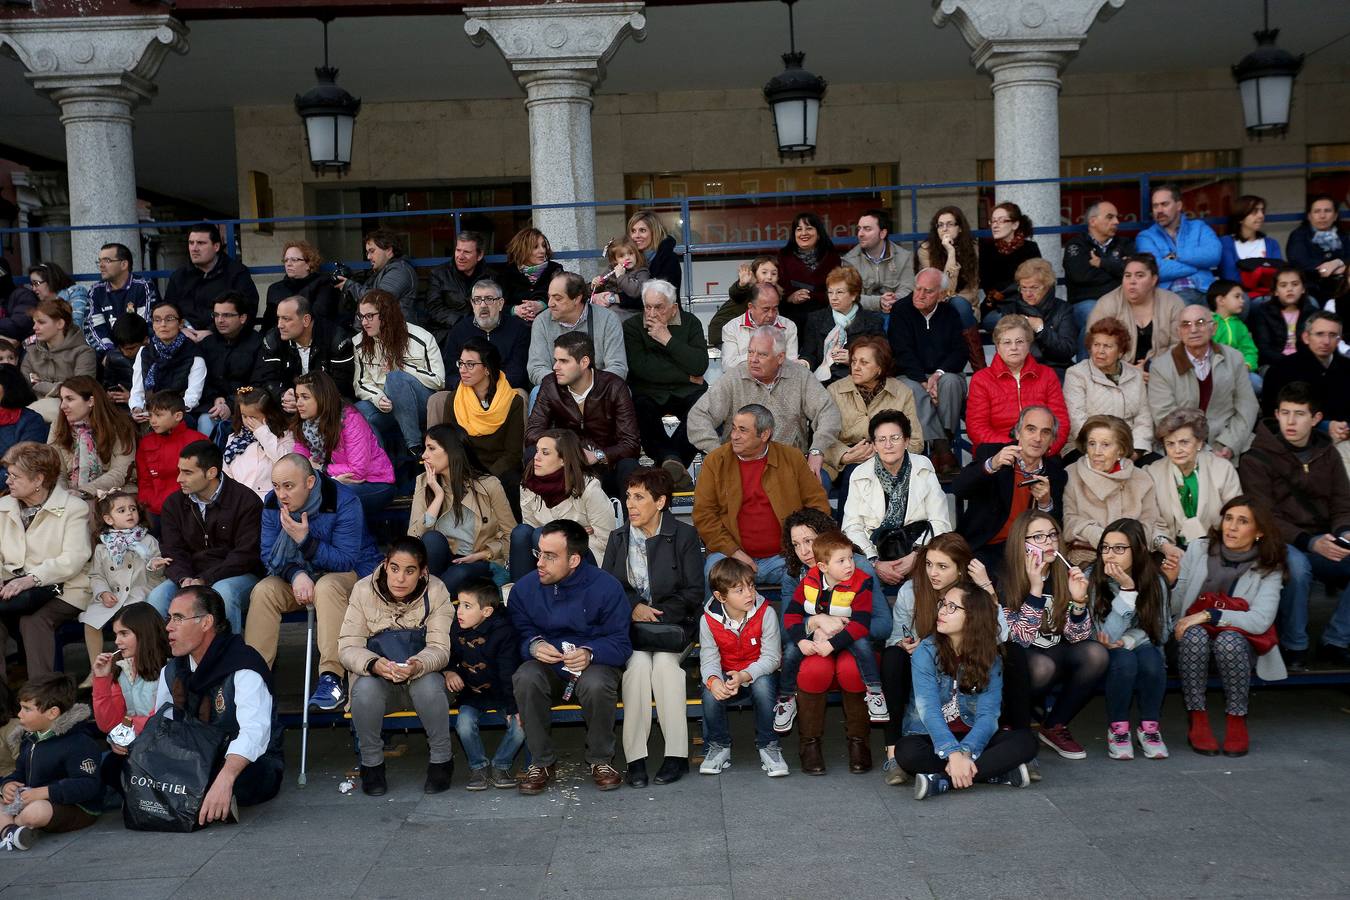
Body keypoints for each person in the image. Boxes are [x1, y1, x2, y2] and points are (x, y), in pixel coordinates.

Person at [245, 453, 383, 711]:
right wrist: (296, 574)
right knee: (264, 591)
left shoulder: (343, 501)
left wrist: (305, 541)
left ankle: (332, 677)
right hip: (301, 575)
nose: (281, 494)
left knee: (327, 586)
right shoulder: (273, 504)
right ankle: (254, 679)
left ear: (309, 481)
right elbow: (267, 555)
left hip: (350, 576)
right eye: (276, 486)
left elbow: (345, 560)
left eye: (289, 486)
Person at [509, 519, 632, 794]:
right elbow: (518, 635)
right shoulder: (524, 589)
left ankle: (601, 759)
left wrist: (591, 652)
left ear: (574, 559)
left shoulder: (607, 587)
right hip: (549, 667)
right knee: (526, 676)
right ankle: (541, 762)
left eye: (550, 556)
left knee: (597, 684)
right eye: (538, 553)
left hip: (595, 664)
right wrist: (533, 645)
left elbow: (622, 643)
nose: (540, 562)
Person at [601, 467, 702, 788]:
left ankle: (676, 756)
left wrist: (655, 612)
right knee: (639, 669)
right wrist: (634, 608)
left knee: (665, 668)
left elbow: (694, 592)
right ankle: (636, 759)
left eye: (639, 497)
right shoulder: (618, 539)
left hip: (674, 628)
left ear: (660, 502)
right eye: (629, 496)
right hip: (634, 631)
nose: (630, 504)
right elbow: (610, 588)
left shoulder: (684, 536)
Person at [1239, 382, 1350, 670]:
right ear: (1275, 414)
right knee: (1297, 569)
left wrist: (1344, 534)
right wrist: (1309, 542)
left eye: (1299, 414)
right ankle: (1294, 646)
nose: (1290, 421)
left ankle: (1336, 641)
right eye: (1285, 413)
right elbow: (1264, 515)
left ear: (1315, 418)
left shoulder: (1328, 453)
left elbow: (1342, 504)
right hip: (1279, 540)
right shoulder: (1256, 457)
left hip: (1323, 538)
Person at [1167, 497, 1286, 757]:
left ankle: (1236, 718)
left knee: (1227, 640)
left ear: (1259, 531)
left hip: (1238, 649)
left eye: (1242, 521)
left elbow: (1260, 620)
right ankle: (1197, 717)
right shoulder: (1199, 550)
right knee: (1195, 634)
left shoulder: (1269, 566)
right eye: (1228, 518)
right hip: (1189, 646)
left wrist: (1210, 615)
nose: (1231, 527)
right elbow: (1176, 610)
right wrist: (1172, 584)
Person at [896, 580, 1037, 798]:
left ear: (972, 616)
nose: (942, 610)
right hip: (931, 736)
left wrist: (965, 751)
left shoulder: (990, 656)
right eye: (943, 604)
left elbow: (988, 716)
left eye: (952, 607)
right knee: (906, 752)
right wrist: (952, 752)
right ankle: (992, 774)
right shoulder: (926, 650)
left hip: (973, 736)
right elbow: (928, 711)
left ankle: (942, 781)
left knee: (1026, 742)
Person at [338, 536, 456, 796]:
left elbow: (440, 648)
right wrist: (373, 664)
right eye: (394, 568)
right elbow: (347, 648)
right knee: (364, 690)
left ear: (423, 572)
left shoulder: (437, 591)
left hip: (420, 677)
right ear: (385, 564)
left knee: (428, 687)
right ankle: (372, 765)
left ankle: (441, 760)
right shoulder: (362, 590)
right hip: (381, 680)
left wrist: (418, 665)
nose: (399, 578)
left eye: (409, 571)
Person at [156, 586, 285, 821]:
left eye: (178, 618)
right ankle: (200, 798)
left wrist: (225, 778)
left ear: (206, 622)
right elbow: (162, 729)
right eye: (169, 618)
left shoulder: (244, 665)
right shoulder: (172, 670)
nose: (168, 627)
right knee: (115, 766)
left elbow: (254, 733)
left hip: (245, 763)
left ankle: (202, 796)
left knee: (253, 777)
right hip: (195, 759)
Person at [880, 533, 994, 785]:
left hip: (964, 670)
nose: (933, 573)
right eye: (929, 564)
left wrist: (987, 587)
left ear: (961, 568)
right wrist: (905, 643)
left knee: (1014, 654)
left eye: (942, 566)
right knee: (892, 658)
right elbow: (895, 636)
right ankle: (893, 752)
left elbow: (999, 638)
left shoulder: (971, 593)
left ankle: (953, 770)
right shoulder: (911, 591)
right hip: (921, 668)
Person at [1000, 510, 1105, 760]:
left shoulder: (1064, 574)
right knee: (1041, 665)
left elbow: (1078, 637)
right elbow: (1018, 638)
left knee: (1096, 654)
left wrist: (1079, 602)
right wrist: (1035, 590)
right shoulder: (1004, 577)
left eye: (1052, 535)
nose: (1048, 542)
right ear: (1021, 542)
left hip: (1055, 649)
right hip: (1015, 658)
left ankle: (1055, 725)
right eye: (1038, 537)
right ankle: (1008, 721)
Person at [692, 404, 830, 589]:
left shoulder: (792, 458)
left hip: (784, 557)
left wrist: (802, 545)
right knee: (715, 571)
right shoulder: (716, 461)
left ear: (764, 435)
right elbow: (704, 516)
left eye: (742, 430)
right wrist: (734, 552)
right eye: (733, 428)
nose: (734, 435)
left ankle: (796, 619)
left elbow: (818, 504)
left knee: (810, 578)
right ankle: (716, 619)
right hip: (732, 557)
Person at [687, 327, 841, 471]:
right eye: (750, 352)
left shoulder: (801, 376)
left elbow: (828, 413)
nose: (753, 359)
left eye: (762, 354)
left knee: (821, 484)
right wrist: (718, 453)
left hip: (789, 467)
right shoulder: (734, 377)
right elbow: (698, 416)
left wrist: (817, 450)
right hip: (741, 467)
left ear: (780, 357)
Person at [150, 440, 264, 634]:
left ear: (211, 472)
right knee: (157, 598)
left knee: (223, 593)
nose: (179, 478)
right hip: (191, 575)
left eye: (187, 472)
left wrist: (205, 579)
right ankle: (165, 663)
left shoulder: (246, 500)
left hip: (238, 576)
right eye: (180, 470)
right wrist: (183, 578)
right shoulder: (174, 504)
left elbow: (245, 555)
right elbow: (172, 550)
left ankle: (229, 660)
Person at [0, 442, 92, 678]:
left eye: (15, 476)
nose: (7, 481)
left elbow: (74, 557)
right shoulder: (3, 506)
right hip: (13, 590)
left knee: (33, 622)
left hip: (64, 588)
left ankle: (43, 700)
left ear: (38, 480)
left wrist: (32, 578)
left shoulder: (74, 508)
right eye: (8, 474)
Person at [782, 530, 888, 733]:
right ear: (823, 567)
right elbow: (790, 617)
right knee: (790, 648)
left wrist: (832, 643)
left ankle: (874, 691)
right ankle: (785, 697)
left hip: (848, 635)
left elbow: (861, 624)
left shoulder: (861, 582)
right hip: (817, 635)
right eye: (841, 561)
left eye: (850, 558)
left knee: (863, 643)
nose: (849, 564)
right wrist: (803, 639)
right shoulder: (807, 582)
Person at [841, 410, 953, 591]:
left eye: (895, 438)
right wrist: (875, 562)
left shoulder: (923, 467)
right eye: (881, 439)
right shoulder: (860, 474)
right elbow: (851, 527)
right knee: (860, 568)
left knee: (942, 560)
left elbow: (940, 522)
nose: (888, 445)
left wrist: (917, 555)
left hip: (918, 547)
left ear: (907, 441)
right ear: (874, 445)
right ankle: (881, 617)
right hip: (875, 550)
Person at [1088, 519, 1171, 760]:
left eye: (1119, 548)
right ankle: (1118, 729)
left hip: (1143, 647)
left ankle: (1149, 728)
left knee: (1151, 660)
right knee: (1125, 661)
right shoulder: (1092, 578)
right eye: (1105, 548)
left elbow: (1163, 632)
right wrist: (1126, 592)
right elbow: (1105, 637)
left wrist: (1130, 639)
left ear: (1139, 550)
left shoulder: (1156, 581)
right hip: (1105, 655)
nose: (1109, 555)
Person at [699, 557, 787, 777]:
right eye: (739, 590)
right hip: (727, 674)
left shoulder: (766, 613)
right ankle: (719, 746)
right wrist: (713, 680)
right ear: (720, 596)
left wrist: (745, 675)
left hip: (758, 672)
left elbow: (772, 658)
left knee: (763, 686)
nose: (749, 594)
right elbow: (708, 659)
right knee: (711, 692)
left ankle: (768, 745)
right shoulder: (708, 620)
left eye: (751, 586)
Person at [952, 405, 1067, 571]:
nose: (1038, 438)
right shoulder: (993, 453)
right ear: (1018, 432)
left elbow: (1056, 528)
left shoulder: (1055, 473)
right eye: (1031, 429)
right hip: (985, 545)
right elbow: (959, 488)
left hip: (1029, 549)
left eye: (1046, 432)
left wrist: (1045, 503)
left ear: (1052, 441)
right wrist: (991, 465)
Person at [526, 331, 639, 498]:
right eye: (556, 360)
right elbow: (532, 433)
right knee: (531, 454)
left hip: (605, 466)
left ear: (584, 362)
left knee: (629, 466)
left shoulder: (614, 386)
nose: (555, 367)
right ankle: (543, 516)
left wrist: (598, 456)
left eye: (563, 361)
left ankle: (628, 522)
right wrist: (570, 451)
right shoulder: (550, 385)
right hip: (565, 465)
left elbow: (631, 443)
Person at [0, 674, 101, 850]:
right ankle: (13, 833)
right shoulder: (29, 739)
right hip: (30, 799)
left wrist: (46, 792)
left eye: (26, 709)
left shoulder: (78, 742)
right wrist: (7, 785)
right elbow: (20, 773)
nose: (19, 714)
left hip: (76, 807)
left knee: (35, 812)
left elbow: (88, 785)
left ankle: (8, 830)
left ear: (52, 713)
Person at [408, 424, 513, 593]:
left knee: (460, 572)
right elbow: (414, 538)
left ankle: (424, 600)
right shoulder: (424, 482)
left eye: (431, 448)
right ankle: (428, 599)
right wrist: (438, 496)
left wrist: (484, 554)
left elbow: (510, 535)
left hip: (478, 560)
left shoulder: (489, 485)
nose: (424, 455)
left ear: (451, 451)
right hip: (442, 559)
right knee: (432, 538)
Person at [623, 279, 708, 487]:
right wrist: (685, 375)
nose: (651, 314)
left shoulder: (691, 322)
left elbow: (698, 365)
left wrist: (667, 339)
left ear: (673, 308)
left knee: (703, 409)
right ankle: (674, 464)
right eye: (647, 307)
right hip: (648, 391)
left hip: (687, 392)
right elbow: (641, 368)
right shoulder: (632, 327)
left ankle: (668, 465)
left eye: (658, 307)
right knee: (640, 409)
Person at [1147, 304, 1259, 461]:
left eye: (1200, 322)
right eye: (1186, 325)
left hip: (1228, 441)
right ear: (1179, 332)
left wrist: (1228, 445)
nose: (1193, 330)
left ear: (1213, 328)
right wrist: (1204, 450)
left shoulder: (1234, 358)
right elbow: (1165, 417)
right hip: (1182, 446)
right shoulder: (1161, 367)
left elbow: (1247, 406)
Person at [427, 338, 525, 513]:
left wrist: (488, 478)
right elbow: (451, 444)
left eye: (470, 365)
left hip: (500, 469)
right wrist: (469, 475)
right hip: (466, 468)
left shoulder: (512, 401)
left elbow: (513, 453)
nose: (462, 370)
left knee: (512, 480)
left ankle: (512, 536)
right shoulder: (454, 400)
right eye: (461, 363)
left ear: (487, 369)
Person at [1064, 415, 1176, 566]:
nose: (1096, 452)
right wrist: (1098, 536)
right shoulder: (1071, 474)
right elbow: (1068, 520)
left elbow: (1152, 522)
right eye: (1092, 444)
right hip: (1087, 557)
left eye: (1105, 445)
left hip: (1133, 559)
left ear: (1120, 450)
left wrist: (1165, 546)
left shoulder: (1141, 478)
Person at [445, 579, 524, 791]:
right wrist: (450, 671)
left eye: (467, 606)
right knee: (463, 725)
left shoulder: (504, 632)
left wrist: (512, 707)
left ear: (487, 611)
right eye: (458, 605)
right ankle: (478, 766)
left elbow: (508, 673)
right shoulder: (457, 627)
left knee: (520, 727)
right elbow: (448, 655)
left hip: (501, 693)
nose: (459, 611)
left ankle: (501, 764)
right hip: (471, 694)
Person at [886, 268, 967, 472]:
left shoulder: (950, 313)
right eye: (917, 288)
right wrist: (924, 381)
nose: (920, 295)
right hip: (910, 373)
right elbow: (901, 351)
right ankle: (944, 449)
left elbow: (960, 351)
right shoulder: (901, 310)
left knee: (951, 383)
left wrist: (938, 374)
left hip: (943, 372)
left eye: (928, 291)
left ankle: (941, 445)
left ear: (941, 295)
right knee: (913, 390)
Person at [352, 289, 445, 458]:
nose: (364, 322)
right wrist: (378, 397)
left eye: (370, 316)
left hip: (421, 406)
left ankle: (414, 447)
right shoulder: (359, 342)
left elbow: (439, 381)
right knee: (358, 412)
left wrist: (402, 367)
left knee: (395, 378)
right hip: (387, 406)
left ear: (386, 315)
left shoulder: (421, 337)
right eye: (361, 316)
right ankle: (381, 466)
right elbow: (360, 383)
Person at [511, 429, 614, 580]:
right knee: (521, 532)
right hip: (544, 555)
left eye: (545, 453)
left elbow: (608, 542)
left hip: (584, 559)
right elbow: (530, 529)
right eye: (537, 451)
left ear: (563, 459)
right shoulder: (528, 485)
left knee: (544, 534)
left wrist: (574, 538)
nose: (536, 457)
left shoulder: (589, 488)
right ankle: (521, 596)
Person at [824, 335, 926, 486]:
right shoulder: (835, 391)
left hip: (889, 458)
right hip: (843, 460)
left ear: (879, 368)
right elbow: (823, 438)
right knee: (855, 472)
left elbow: (915, 441)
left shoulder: (902, 392)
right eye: (853, 361)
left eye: (864, 363)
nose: (856, 367)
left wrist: (882, 452)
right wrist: (844, 455)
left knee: (866, 472)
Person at [290, 370, 396, 515]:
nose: (298, 403)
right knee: (286, 498)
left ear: (322, 398)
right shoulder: (304, 425)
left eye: (305, 397)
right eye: (297, 397)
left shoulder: (350, 420)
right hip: (334, 480)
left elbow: (357, 471)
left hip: (374, 482)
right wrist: (331, 478)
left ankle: (353, 538)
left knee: (332, 496)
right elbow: (298, 465)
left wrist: (323, 469)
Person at [84, 491, 164, 677]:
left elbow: (157, 571)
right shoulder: (103, 546)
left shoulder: (147, 540)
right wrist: (103, 592)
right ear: (109, 519)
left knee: (134, 623)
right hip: (114, 595)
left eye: (133, 509)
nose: (130, 513)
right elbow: (96, 575)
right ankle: (96, 670)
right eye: (122, 510)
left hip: (140, 592)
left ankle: (139, 664)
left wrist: (155, 565)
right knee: (91, 621)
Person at [90, 603, 169, 794]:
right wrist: (101, 679)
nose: (116, 641)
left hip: (165, 747)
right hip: (137, 747)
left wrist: (125, 731)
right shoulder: (122, 670)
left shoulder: (169, 668)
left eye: (124, 634)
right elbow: (108, 724)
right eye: (116, 634)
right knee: (106, 766)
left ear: (144, 634)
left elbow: (161, 720)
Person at [966, 315, 1070, 456]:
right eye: (1007, 342)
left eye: (1019, 341)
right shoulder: (981, 379)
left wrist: (1044, 449)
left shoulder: (1047, 375)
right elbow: (977, 428)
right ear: (997, 346)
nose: (1014, 347)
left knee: (1058, 477)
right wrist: (1016, 448)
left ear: (1029, 344)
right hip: (997, 452)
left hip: (1041, 451)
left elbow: (1061, 423)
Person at [1147, 408, 1243, 548]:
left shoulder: (1222, 469)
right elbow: (1152, 522)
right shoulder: (1153, 473)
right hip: (1170, 548)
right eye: (1170, 444)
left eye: (1184, 442)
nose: (1177, 450)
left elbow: (1236, 516)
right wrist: (1166, 548)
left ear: (1199, 443)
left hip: (1217, 546)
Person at [1064, 316, 1153, 458]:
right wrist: (1106, 451)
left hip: (1127, 449)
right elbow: (1077, 421)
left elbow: (1144, 419)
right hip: (1087, 448)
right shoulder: (1076, 374)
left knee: (1155, 466)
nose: (1100, 351)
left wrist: (1135, 451)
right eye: (1096, 345)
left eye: (1108, 346)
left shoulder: (1135, 375)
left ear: (1121, 352)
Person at [255, 295, 357, 410]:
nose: (280, 325)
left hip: (328, 406)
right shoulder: (273, 340)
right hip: (289, 407)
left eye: (286, 319)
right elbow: (268, 378)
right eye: (279, 318)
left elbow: (343, 384)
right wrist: (282, 395)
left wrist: (307, 399)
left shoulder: (334, 338)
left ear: (306, 320)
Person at [526, 271, 627, 385]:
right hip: (557, 390)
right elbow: (536, 368)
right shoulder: (542, 321)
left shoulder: (608, 319)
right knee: (536, 392)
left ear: (577, 299)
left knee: (623, 392)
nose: (550, 304)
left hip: (599, 390)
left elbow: (618, 367)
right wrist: (563, 386)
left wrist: (587, 386)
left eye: (557, 298)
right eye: (549, 297)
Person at [1087, 253, 1186, 366]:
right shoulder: (1107, 304)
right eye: (1127, 276)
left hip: (1164, 371)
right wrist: (1127, 372)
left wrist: (1154, 367)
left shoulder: (1173, 303)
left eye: (1139, 276)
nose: (1132, 281)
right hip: (1116, 374)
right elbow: (1096, 348)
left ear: (1153, 280)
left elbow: (1180, 345)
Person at [433, 279, 530, 393]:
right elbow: (451, 373)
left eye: (489, 299)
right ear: (472, 304)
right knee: (438, 399)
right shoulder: (459, 331)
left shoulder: (518, 329)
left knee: (520, 396)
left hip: (506, 390)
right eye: (477, 300)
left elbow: (517, 373)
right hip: (468, 391)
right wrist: (473, 389)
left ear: (500, 303)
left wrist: (487, 387)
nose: (483, 305)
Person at [163, 223, 259, 335]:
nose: (194, 248)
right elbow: (167, 312)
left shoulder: (237, 273)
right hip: (185, 340)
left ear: (216, 246)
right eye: (191, 243)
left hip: (225, 341)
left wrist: (211, 333)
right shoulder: (179, 277)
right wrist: (180, 330)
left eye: (201, 243)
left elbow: (248, 312)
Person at [50, 376, 137, 499]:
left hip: (113, 493)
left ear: (91, 401)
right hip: (70, 493)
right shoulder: (58, 425)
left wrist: (84, 492)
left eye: (69, 399)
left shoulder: (120, 426)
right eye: (62, 399)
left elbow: (120, 471)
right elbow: (56, 470)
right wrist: (63, 495)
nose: (62, 406)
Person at [1134, 184, 1222, 304]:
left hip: (1207, 290)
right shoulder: (1146, 237)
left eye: (1164, 204)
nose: (1159, 210)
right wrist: (1198, 265)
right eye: (1155, 206)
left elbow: (1214, 255)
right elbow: (1156, 270)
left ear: (1178, 205)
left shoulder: (1199, 227)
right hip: (1173, 294)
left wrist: (1177, 256)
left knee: (1239, 304)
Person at [1259, 311, 1350, 423]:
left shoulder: (1347, 368)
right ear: (1306, 337)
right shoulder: (1281, 370)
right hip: (1298, 437)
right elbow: (1272, 414)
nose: (1326, 341)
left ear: (1339, 340)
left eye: (1332, 335)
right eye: (1319, 334)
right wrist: (1324, 427)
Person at [129, 299, 208, 424]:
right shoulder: (145, 352)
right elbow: (137, 390)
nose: (163, 324)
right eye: (157, 320)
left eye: (169, 319)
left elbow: (192, 397)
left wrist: (164, 414)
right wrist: (136, 408)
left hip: (178, 414)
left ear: (181, 323)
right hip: (149, 412)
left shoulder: (193, 354)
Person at [801, 266, 884, 384]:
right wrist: (805, 362)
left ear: (854, 295)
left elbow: (881, 357)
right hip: (821, 382)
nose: (833, 297)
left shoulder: (872, 321)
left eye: (839, 292)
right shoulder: (816, 319)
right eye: (830, 292)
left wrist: (853, 360)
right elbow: (809, 354)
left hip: (858, 381)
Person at [198, 292, 264, 438]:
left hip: (246, 409)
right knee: (205, 420)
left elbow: (258, 383)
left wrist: (231, 404)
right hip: (213, 406)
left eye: (227, 315)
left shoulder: (258, 343)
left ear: (243, 318)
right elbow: (200, 379)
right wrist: (215, 398)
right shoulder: (207, 343)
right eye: (216, 315)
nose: (220, 320)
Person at [1063, 200, 1132, 337]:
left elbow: (1132, 272)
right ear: (1093, 221)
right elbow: (1080, 276)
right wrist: (1117, 270)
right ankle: (1088, 360)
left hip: (1121, 300)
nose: (1116, 221)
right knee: (1096, 321)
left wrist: (1102, 263)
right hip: (1087, 302)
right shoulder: (1076, 245)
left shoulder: (1125, 243)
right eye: (1110, 217)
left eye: (1116, 217)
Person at [21, 297, 95, 422]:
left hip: (72, 416)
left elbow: (81, 390)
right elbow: (24, 385)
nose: (34, 327)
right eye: (34, 322)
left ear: (60, 324)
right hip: (35, 413)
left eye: (41, 322)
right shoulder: (31, 352)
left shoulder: (83, 353)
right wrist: (59, 386)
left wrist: (40, 385)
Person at [136, 392, 207, 521]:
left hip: (190, 510)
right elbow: (144, 479)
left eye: (158, 415)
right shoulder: (146, 442)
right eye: (150, 415)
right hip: (155, 510)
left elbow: (207, 478)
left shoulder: (198, 440)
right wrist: (147, 503)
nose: (152, 420)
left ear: (178, 416)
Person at [1000, 258, 1076, 374]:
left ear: (1047, 286)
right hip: (1021, 371)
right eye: (1024, 288)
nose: (1028, 293)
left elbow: (1066, 351)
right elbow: (1005, 352)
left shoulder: (1063, 309)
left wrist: (1041, 329)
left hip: (1056, 370)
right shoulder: (1011, 310)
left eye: (1034, 288)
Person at [83, 242, 159, 354]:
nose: (101, 265)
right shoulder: (96, 291)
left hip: (140, 353)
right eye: (100, 261)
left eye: (107, 260)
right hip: (108, 356)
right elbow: (93, 328)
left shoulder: (143, 286)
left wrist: (129, 351)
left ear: (124, 264)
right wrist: (109, 353)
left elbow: (148, 324)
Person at [222, 386, 297, 500]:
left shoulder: (284, 436)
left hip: (269, 502)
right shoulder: (235, 438)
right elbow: (226, 472)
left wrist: (262, 433)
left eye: (253, 417)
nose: (248, 421)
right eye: (244, 416)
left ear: (268, 414)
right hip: (239, 501)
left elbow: (285, 463)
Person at [336, 229, 420, 325]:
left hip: (395, 334)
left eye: (372, 251)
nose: (368, 257)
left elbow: (379, 299)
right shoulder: (381, 271)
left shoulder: (400, 270)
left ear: (389, 251)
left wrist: (349, 286)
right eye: (367, 252)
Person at [978, 201, 1042, 325]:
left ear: (1015, 224)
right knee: (1012, 323)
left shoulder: (1030, 248)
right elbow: (988, 285)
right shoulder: (986, 249)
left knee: (1028, 322)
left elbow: (1038, 280)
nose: (995, 225)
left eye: (1001, 221)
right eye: (993, 221)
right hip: (997, 307)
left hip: (1027, 304)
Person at [775, 211, 841, 330]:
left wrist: (814, 295)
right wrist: (791, 297)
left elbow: (838, 290)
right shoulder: (784, 257)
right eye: (799, 229)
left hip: (825, 316)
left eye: (809, 228)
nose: (803, 233)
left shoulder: (832, 258)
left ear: (819, 233)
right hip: (792, 318)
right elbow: (778, 289)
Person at [841, 208, 915, 314]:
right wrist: (878, 302)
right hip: (863, 317)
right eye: (859, 229)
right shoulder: (849, 260)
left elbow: (908, 289)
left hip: (897, 313)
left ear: (882, 233)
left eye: (867, 229)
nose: (860, 234)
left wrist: (893, 300)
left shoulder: (904, 257)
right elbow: (849, 296)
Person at [916, 206, 979, 327]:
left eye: (949, 224)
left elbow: (972, 290)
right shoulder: (925, 251)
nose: (944, 229)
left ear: (959, 228)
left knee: (959, 304)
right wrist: (951, 253)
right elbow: (943, 291)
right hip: (936, 305)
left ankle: (970, 345)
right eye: (940, 225)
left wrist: (951, 252)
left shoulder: (973, 249)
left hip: (967, 307)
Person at [261, 240, 341, 334]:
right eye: (286, 260)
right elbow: (267, 324)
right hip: (280, 341)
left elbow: (320, 317)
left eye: (294, 260)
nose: (288, 264)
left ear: (308, 264)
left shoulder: (323, 285)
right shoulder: (275, 289)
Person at [426, 230, 492, 341]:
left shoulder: (491, 277)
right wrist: (463, 322)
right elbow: (434, 308)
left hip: (483, 334)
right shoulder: (439, 274)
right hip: (447, 335)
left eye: (466, 252)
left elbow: (497, 308)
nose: (460, 256)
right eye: (458, 250)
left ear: (479, 255)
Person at [719, 282, 800, 371]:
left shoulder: (788, 326)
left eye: (775, 309)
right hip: (744, 382)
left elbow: (791, 366)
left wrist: (755, 359)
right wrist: (764, 355)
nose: (771, 314)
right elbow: (728, 366)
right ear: (751, 307)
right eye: (766, 309)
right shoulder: (732, 328)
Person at [1250, 266, 1319, 369]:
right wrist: (1288, 362)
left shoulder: (1313, 313)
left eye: (1295, 284)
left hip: (1305, 362)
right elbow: (1264, 348)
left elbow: (1316, 345)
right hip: (1274, 363)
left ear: (1303, 289)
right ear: (1275, 291)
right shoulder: (1264, 312)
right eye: (1283, 285)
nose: (1290, 289)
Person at [1218, 194, 1283, 302]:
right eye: (1255, 212)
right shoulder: (1226, 243)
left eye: (1262, 211)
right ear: (1240, 218)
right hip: (1241, 298)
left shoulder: (1272, 244)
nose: (1261, 215)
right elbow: (1230, 278)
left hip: (1270, 295)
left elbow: (1278, 274)